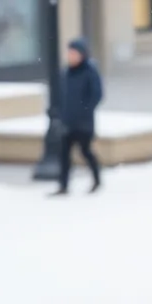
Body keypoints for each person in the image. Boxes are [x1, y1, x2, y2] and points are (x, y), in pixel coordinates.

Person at [55, 38, 103, 196]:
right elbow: (62, 95)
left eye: (74, 53)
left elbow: (96, 94)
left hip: (83, 122)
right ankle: (63, 185)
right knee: (64, 154)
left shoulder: (89, 71)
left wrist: (85, 111)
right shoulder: (66, 72)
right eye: (69, 53)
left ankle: (97, 178)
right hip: (67, 121)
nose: (71, 56)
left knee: (85, 151)